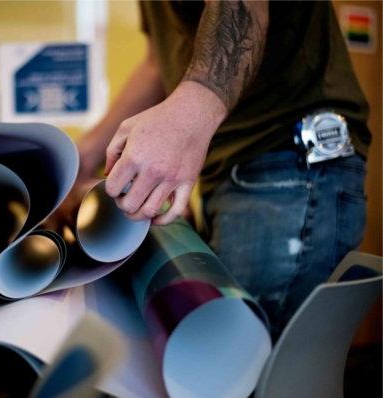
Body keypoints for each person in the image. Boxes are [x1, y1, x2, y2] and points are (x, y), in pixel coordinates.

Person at [54, 0, 371, 337]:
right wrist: (84, 156)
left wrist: (186, 115)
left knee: (244, 361)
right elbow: (157, 64)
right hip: (228, 173)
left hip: (287, 159)